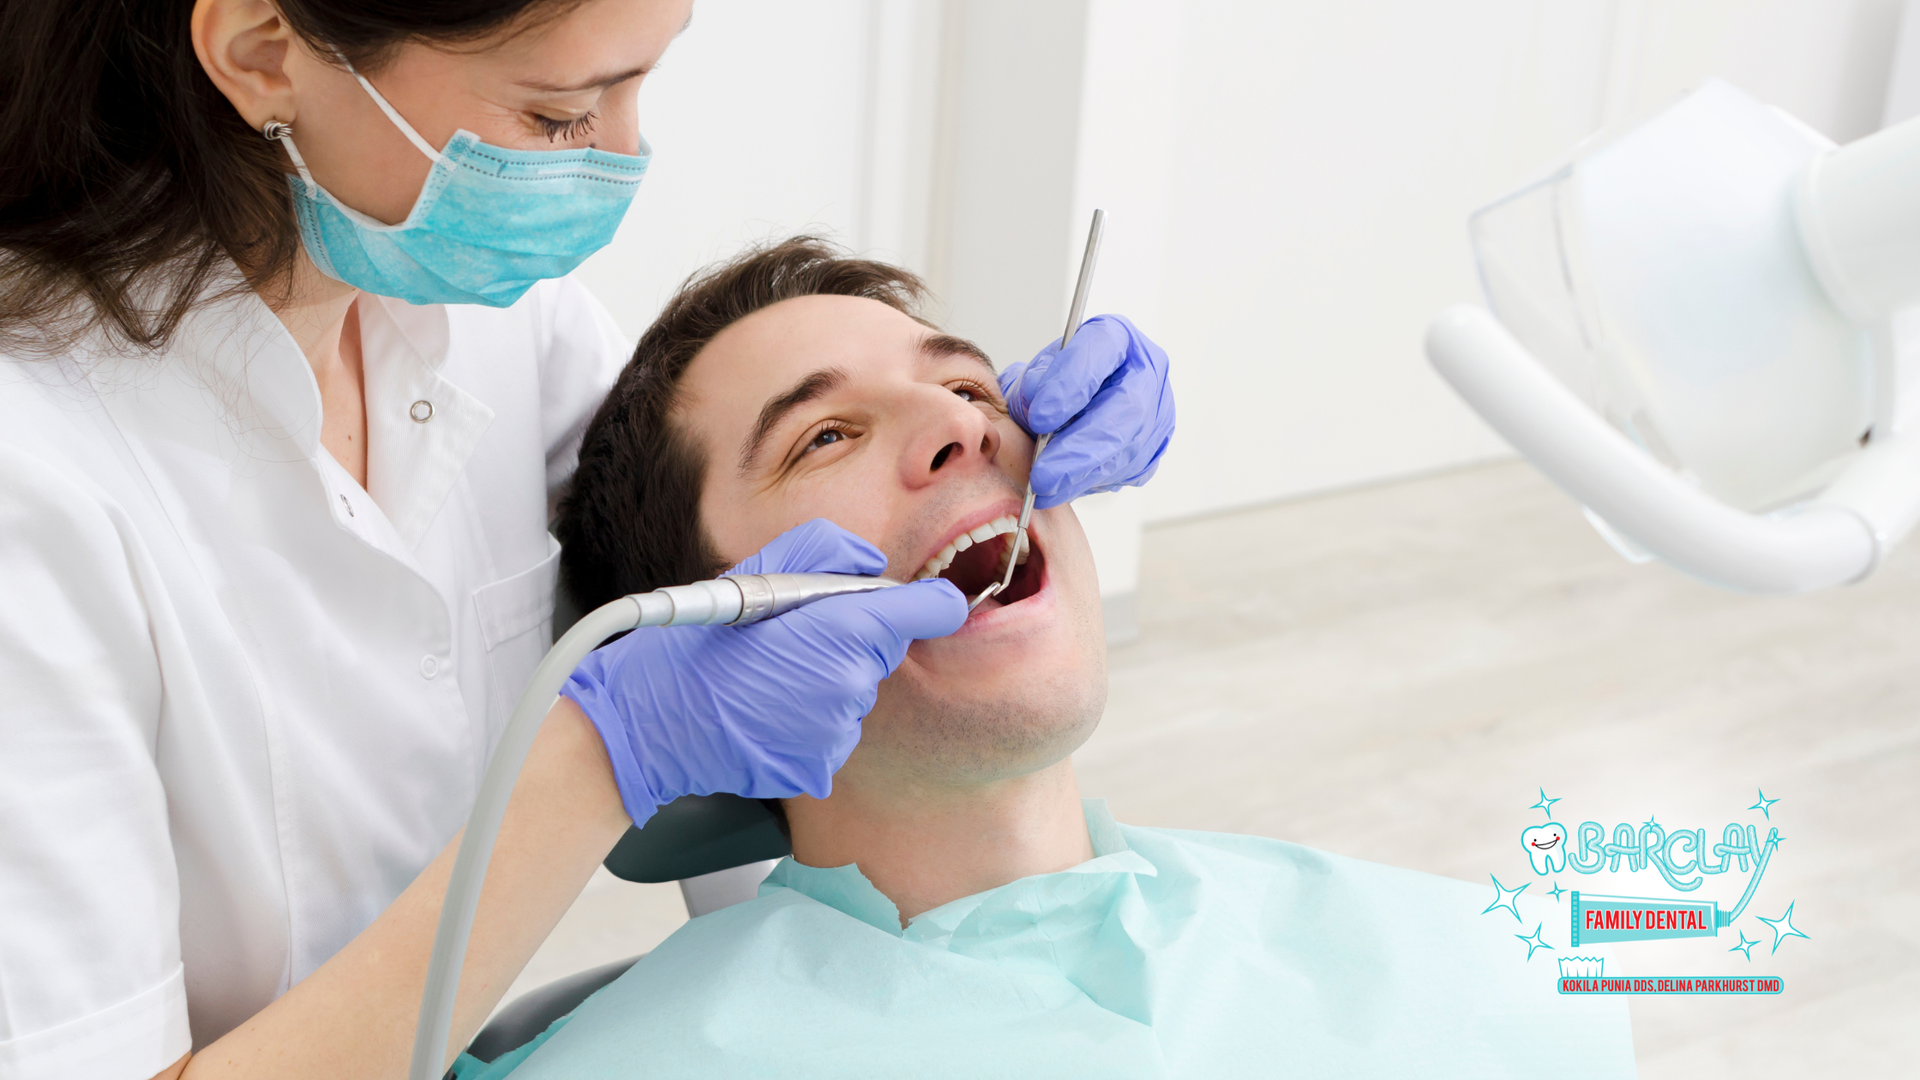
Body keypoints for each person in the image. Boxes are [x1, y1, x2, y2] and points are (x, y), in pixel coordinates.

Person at [0, 3, 1175, 1079]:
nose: (623, 153)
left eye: (969, 387)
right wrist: (608, 758)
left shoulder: (506, 319)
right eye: (560, 112)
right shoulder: (38, 478)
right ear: (263, 52)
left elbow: (683, 547)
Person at [452, 238, 1634, 1078]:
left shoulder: (1486, 967)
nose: (964, 427)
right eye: (825, 436)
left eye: (969, 385)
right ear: (705, 627)